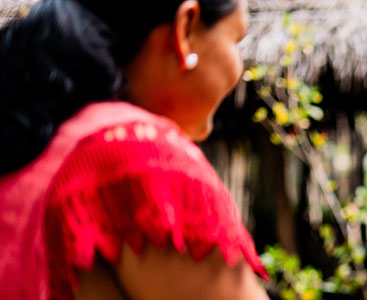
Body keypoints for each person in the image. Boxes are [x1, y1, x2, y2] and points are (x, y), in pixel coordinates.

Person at [0, 0, 269, 299]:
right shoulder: (139, 157)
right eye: (236, 39)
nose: (240, 67)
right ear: (185, 30)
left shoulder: (31, 157)